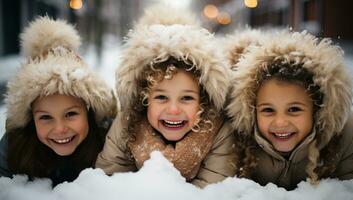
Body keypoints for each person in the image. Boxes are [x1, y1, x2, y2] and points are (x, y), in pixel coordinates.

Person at [96, 5, 236, 188]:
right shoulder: (127, 125)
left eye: (186, 98)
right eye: (161, 98)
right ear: (144, 99)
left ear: (203, 100)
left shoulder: (218, 131)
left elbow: (214, 189)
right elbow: (110, 178)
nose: (173, 110)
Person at [226, 30, 353, 190]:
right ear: (252, 110)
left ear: (318, 110)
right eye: (268, 110)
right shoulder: (239, 141)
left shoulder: (345, 137)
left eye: (293, 109)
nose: (280, 122)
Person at [0, 17, 116, 186]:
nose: (60, 129)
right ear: (30, 118)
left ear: (89, 110)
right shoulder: (14, 146)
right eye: (45, 117)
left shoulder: (109, 140)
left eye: (70, 114)